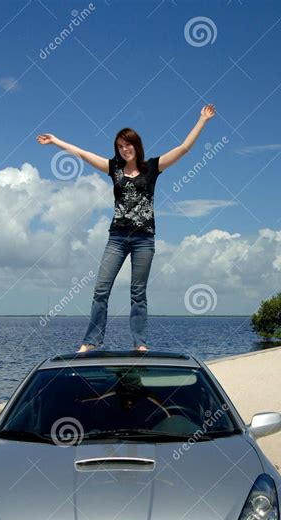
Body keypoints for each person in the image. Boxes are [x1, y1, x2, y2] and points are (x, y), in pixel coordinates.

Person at [36, 104, 216, 352]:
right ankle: (91, 341)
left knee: (138, 293)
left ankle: (140, 343)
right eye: (120, 146)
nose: (124, 149)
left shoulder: (152, 167)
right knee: (101, 289)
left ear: (136, 145)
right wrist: (56, 141)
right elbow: (83, 154)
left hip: (144, 239)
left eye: (127, 144)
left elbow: (183, 149)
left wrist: (202, 121)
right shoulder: (114, 169)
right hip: (117, 237)